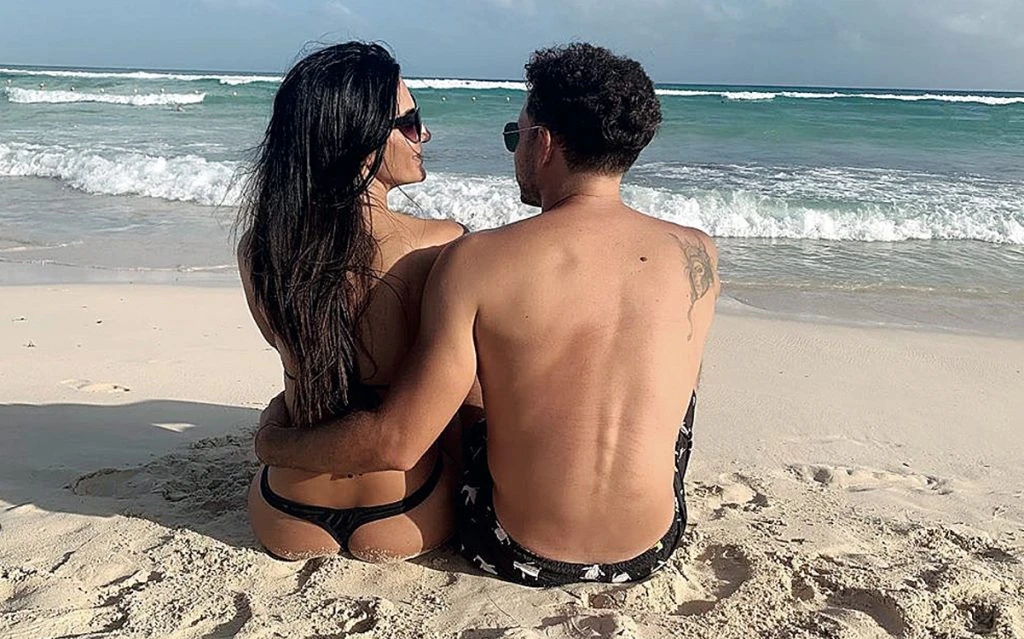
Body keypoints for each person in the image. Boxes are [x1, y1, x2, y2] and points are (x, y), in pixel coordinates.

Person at [255, 42, 719, 585]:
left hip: (513, 549)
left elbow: (400, 439)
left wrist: (273, 442)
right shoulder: (698, 253)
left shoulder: (478, 259)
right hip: (651, 547)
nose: (513, 150)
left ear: (543, 143)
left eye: (513, 135)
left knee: (477, 369)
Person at [237, 42, 472, 562]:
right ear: (361, 138)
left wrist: (273, 434)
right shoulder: (440, 244)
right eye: (409, 123)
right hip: (406, 507)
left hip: (286, 508)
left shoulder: (259, 247)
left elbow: (285, 349)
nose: (424, 135)